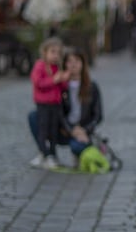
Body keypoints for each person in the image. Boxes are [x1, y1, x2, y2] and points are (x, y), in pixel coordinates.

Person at [28, 48, 104, 160]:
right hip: (63, 130)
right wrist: (70, 130)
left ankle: (84, 150)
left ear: (83, 64)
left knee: (77, 147)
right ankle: (46, 154)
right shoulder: (62, 86)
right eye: (69, 61)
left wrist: (84, 130)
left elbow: (98, 115)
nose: (73, 65)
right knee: (34, 116)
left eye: (77, 61)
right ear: (64, 65)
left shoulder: (92, 87)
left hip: (82, 130)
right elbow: (59, 113)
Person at [28, 37, 69, 170]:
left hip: (55, 105)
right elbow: (38, 83)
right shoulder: (40, 66)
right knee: (43, 129)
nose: (55, 55)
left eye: (58, 53)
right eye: (53, 52)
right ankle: (44, 153)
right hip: (43, 104)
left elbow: (63, 87)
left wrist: (63, 80)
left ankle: (52, 154)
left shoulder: (57, 67)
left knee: (53, 131)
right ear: (45, 52)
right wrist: (54, 80)